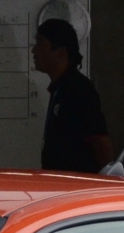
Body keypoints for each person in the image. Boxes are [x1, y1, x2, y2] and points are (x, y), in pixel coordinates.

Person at [32, 17, 114, 174]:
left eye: (40, 42)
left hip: (77, 184)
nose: (33, 51)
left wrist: (108, 179)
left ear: (61, 52)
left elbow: (100, 141)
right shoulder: (60, 88)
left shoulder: (78, 89)